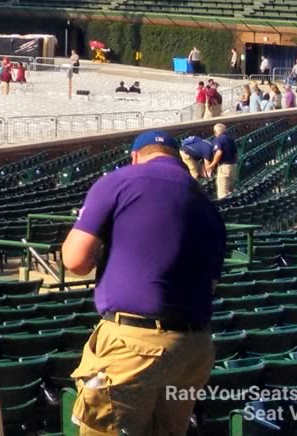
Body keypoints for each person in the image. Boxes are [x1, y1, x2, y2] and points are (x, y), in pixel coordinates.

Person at [62, 131, 224, 436]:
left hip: (134, 345)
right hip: (193, 348)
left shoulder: (120, 180)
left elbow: (75, 260)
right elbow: (211, 283)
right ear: (177, 158)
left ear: (135, 157)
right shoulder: (206, 202)